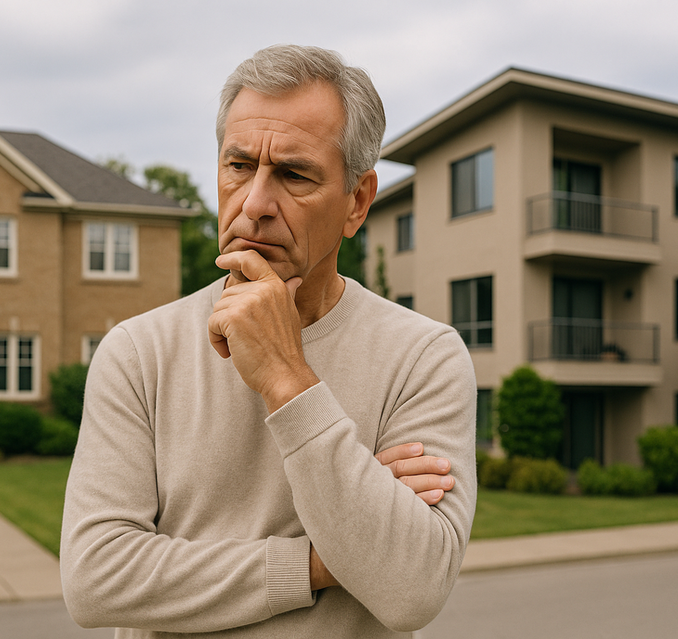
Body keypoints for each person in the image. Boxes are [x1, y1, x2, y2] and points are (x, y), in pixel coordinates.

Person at [61, 44, 477, 638]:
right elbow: (96, 579)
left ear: (357, 202)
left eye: (293, 174)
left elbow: (411, 588)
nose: (254, 204)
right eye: (238, 166)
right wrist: (321, 563)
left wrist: (287, 379)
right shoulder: (138, 352)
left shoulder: (423, 357)